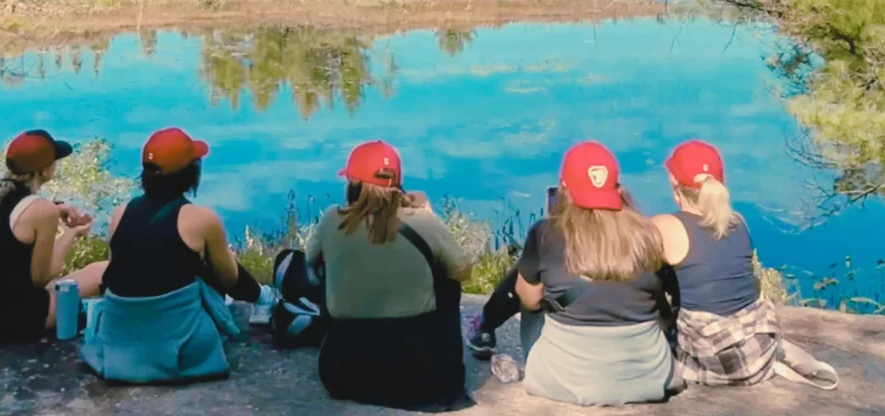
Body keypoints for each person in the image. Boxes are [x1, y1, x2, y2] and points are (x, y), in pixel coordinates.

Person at [80, 127, 277, 383]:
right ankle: (264, 297)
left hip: (120, 343)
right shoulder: (202, 219)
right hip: (177, 344)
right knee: (210, 266)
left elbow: (120, 271)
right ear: (190, 174)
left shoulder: (120, 213)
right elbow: (230, 280)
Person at [652, 140, 836, 390]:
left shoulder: (666, 227)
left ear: (674, 183)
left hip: (714, 359)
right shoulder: (738, 222)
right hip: (758, 349)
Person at [310, 140, 474, 411]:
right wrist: (429, 215)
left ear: (352, 182)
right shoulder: (422, 221)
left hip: (342, 374)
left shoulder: (331, 220)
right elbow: (462, 271)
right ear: (398, 185)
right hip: (425, 380)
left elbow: (309, 262)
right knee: (448, 283)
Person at [514, 141, 677, 406]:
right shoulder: (647, 233)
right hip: (648, 374)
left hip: (564, 378)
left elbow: (530, 299)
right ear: (617, 188)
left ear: (564, 188)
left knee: (530, 294)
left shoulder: (545, 233)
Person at [0, 129, 109, 344]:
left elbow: (4, 225)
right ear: (44, 170)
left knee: (88, 274)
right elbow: (42, 278)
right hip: (14, 321)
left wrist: (56, 208)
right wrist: (71, 233)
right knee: (103, 272)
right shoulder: (41, 209)